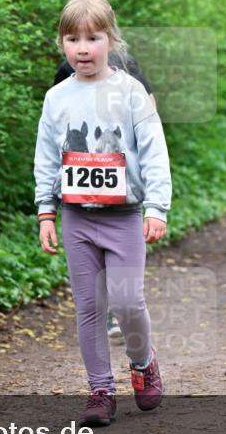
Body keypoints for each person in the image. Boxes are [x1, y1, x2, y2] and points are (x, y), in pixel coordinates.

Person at [34, 0, 172, 427]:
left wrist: (157, 207)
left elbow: (154, 151)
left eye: (92, 38)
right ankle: (100, 390)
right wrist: (45, 210)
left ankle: (143, 362)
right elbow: (46, 157)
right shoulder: (56, 98)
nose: (82, 48)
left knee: (128, 302)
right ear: (61, 43)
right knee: (89, 308)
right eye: (72, 39)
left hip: (123, 217)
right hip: (77, 218)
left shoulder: (131, 93)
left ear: (111, 40)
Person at [51, 51, 157, 345]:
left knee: (124, 280)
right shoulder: (67, 70)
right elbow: (57, 119)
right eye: (76, 39)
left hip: (122, 187)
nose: (86, 48)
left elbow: (150, 106)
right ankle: (108, 310)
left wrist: (143, 141)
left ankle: (121, 310)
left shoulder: (127, 63)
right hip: (81, 187)